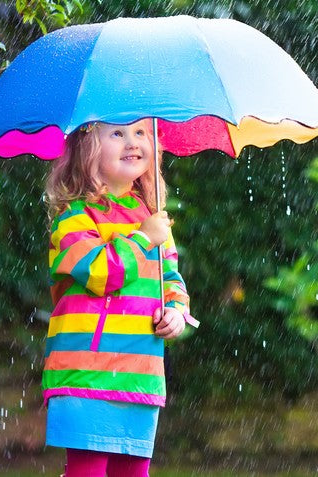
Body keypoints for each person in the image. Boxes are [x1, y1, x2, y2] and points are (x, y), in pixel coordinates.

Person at [42, 119, 199, 477]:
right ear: (87, 149)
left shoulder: (152, 217)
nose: (133, 142)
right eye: (118, 133)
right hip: (86, 371)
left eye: (141, 133)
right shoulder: (73, 217)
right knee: (88, 472)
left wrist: (175, 311)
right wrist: (143, 239)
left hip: (140, 372)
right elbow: (100, 274)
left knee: (133, 472)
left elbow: (170, 280)